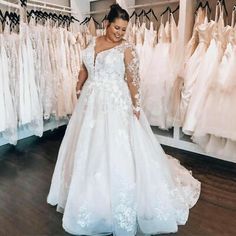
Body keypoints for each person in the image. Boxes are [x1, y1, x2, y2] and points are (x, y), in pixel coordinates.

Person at [47, 4, 200, 236]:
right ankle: (87, 192)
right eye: (117, 27)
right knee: (88, 147)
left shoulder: (127, 49)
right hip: (90, 102)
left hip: (114, 103)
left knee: (116, 149)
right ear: (106, 23)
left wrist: (136, 105)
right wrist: (79, 84)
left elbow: (133, 79)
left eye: (124, 29)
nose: (120, 33)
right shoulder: (92, 42)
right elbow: (85, 67)